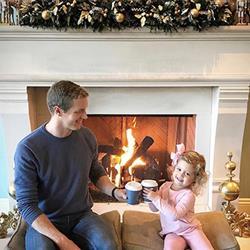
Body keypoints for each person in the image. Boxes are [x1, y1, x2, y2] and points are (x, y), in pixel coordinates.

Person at [14, 80, 126, 250]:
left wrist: (113, 191)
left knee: (109, 245)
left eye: (85, 110)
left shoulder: (87, 136)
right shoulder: (28, 149)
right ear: (58, 111)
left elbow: (95, 171)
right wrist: (63, 241)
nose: (86, 116)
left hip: (82, 216)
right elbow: (26, 205)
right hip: (46, 220)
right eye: (79, 111)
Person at [143, 150, 214, 250]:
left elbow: (174, 215)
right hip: (172, 232)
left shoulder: (189, 195)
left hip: (190, 230)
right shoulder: (164, 186)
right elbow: (155, 209)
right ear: (174, 168)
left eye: (187, 174)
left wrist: (156, 198)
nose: (181, 175)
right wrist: (150, 200)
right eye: (179, 169)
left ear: (195, 179)